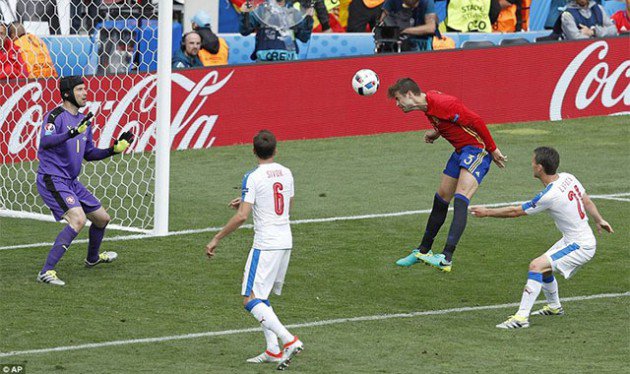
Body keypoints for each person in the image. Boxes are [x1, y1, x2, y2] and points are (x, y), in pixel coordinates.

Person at [470, 147, 614, 329]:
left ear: (539, 168)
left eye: (533, 162)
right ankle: (554, 307)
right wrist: (599, 219)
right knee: (545, 268)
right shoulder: (569, 177)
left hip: (581, 245)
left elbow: (516, 211)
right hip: (574, 239)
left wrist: (487, 212)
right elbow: (586, 201)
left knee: (536, 266)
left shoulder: (549, 195)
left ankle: (521, 318)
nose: (531, 164)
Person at [205, 130, 303, 370]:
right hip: (285, 240)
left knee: (249, 299)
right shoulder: (287, 172)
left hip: (266, 243)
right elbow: (287, 203)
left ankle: (289, 340)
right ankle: (272, 350)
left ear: (253, 151)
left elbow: (241, 217)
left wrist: (217, 238)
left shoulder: (253, 176)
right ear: (276, 150)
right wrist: (251, 198)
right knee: (262, 297)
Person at [388, 78, 507, 272]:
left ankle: (446, 258)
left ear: (409, 94)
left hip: (477, 150)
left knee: (460, 198)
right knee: (441, 197)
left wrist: (493, 150)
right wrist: (437, 133)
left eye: (398, 99)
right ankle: (423, 250)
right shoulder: (428, 105)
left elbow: (475, 121)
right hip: (460, 151)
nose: (397, 104)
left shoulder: (443, 103)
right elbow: (449, 121)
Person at [36, 76, 135, 286]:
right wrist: (72, 132)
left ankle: (92, 258)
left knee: (102, 219)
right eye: (80, 89)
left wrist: (113, 150)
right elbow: (45, 142)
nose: (85, 93)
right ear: (67, 93)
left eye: (85, 89)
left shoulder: (83, 121)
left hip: (70, 181)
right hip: (52, 179)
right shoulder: (55, 116)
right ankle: (46, 271)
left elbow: (89, 153)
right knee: (78, 219)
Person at [239, 0, 314, 62]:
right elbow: (245, 31)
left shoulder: (294, 13)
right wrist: (245, 14)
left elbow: (304, 37)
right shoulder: (261, 10)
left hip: (289, 63)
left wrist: (309, 18)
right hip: (264, 63)